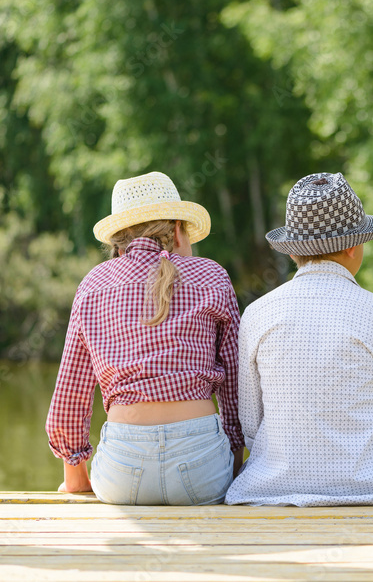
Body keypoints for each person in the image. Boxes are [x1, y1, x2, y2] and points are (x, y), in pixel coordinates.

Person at [225, 173, 373, 507]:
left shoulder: (257, 314)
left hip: (273, 491)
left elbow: (251, 423)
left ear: (293, 253)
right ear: (353, 245)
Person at [45, 171, 243, 505]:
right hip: (202, 468)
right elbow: (236, 387)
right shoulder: (212, 276)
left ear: (116, 240)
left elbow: (70, 393)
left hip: (121, 472)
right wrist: (233, 464)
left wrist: (76, 478)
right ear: (178, 229)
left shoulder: (93, 285)